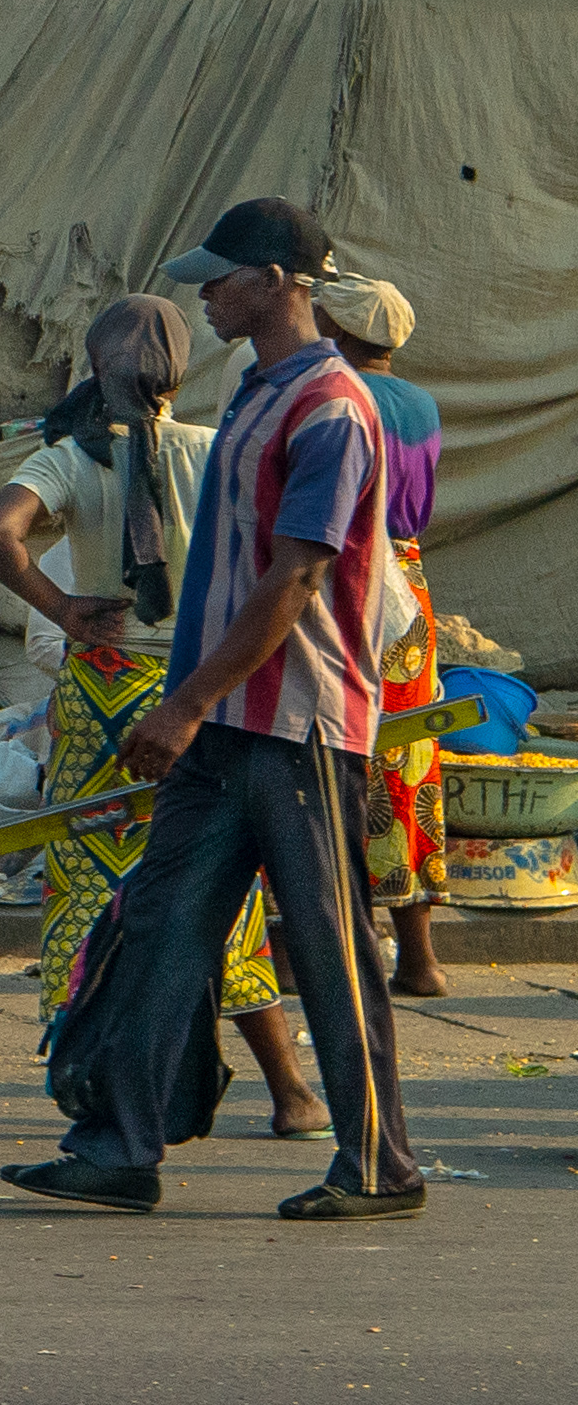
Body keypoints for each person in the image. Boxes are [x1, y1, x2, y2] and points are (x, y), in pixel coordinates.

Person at [13, 199, 420, 1222]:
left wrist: (183, 704)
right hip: (223, 720)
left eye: (220, 277)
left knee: (326, 947)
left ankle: (378, 1165)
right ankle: (118, 1146)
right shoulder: (251, 394)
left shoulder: (328, 407)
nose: (204, 294)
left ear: (278, 280)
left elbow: (292, 580)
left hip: (297, 726)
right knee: (158, 925)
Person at [0, 294, 325, 1142]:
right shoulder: (216, 450)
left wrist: (60, 606)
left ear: (95, 365)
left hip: (99, 695)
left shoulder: (68, 458)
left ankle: (96, 1091)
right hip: (194, 689)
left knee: (88, 883)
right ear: (175, 369)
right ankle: (292, 1093)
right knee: (217, 894)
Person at [314, 274, 449, 999]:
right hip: (410, 577)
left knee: (325, 750)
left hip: (349, 572)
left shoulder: (339, 397)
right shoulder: (420, 402)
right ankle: (418, 955)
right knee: (405, 756)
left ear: (339, 331)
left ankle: (326, 948)